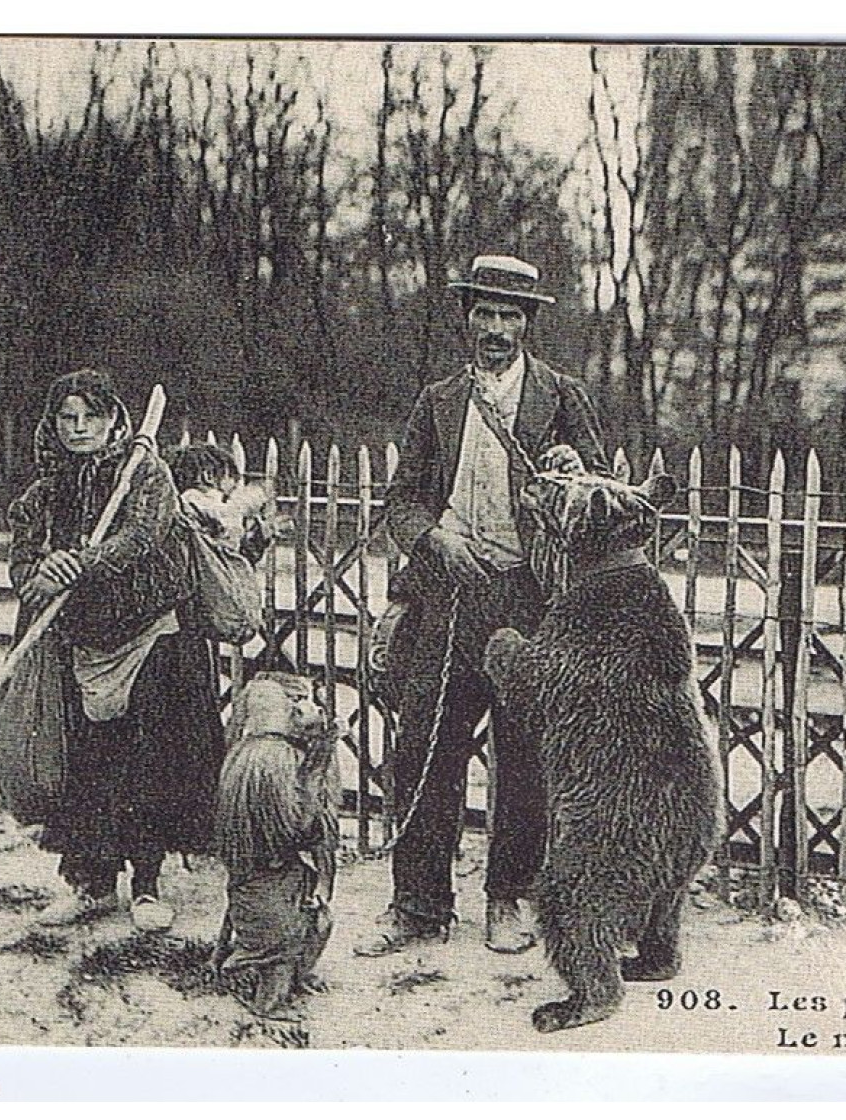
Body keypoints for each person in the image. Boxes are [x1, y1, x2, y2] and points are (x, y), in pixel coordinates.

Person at [355, 254, 607, 957]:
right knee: (422, 751)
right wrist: (433, 537)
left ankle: (509, 899)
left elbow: (602, 498)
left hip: (529, 603)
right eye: (484, 313)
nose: (495, 328)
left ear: (528, 324)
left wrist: (570, 476)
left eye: (509, 315)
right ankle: (418, 905)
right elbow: (401, 501)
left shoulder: (560, 398)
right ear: (465, 317)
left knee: (522, 756)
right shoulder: (438, 400)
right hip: (447, 597)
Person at [7, 369, 227, 932]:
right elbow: (23, 574)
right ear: (53, 424)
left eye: (91, 417)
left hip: (152, 634)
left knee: (148, 762)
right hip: (82, 644)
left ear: (114, 420)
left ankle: (148, 887)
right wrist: (43, 573)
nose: (79, 429)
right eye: (67, 418)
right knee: (89, 765)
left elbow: (141, 538)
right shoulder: (41, 496)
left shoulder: (144, 473)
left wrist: (82, 561)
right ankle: (90, 883)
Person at [213, 673, 340, 1017]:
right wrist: (319, 765)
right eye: (304, 702)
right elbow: (297, 829)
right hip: (267, 882)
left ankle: (291, 977)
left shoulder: (252, 755)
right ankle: (266, 1002)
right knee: (281, 946)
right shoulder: (272, 761)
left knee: (315, 921)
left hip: (275, 874)